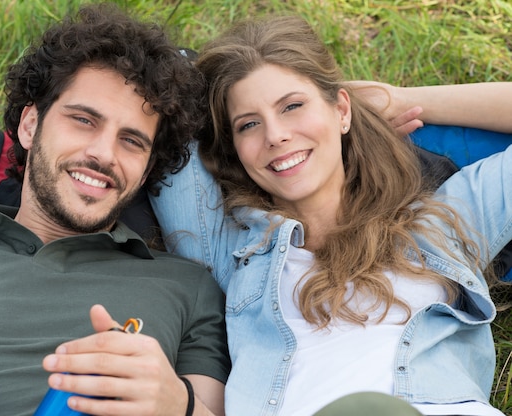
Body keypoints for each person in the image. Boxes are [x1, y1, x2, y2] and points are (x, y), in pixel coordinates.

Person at [150, 14, 511, 416]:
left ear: (341, 110)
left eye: (293, 106)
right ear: (234, 149)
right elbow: (162, 84)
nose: (275, 135)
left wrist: (403, 99)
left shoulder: (442, 221)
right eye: (249, 124)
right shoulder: (229, 249)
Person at [0, 4, 229, 416]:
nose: (103, 154)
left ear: (146, 172)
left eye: (132, 141)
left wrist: (178, 406)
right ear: (30, 125)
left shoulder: (190, 287)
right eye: (84, 120)